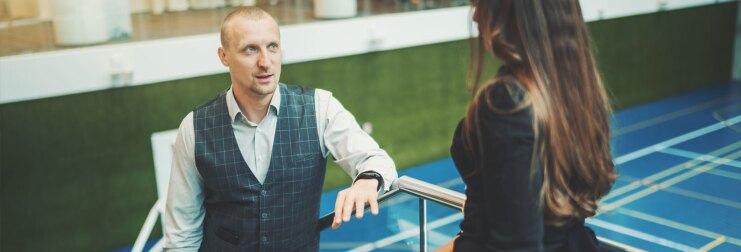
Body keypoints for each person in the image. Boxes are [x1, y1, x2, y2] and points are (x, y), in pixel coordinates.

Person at [163, 7, 398, 251]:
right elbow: (181, 236)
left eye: (272, 46)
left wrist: (366, 181)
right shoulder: (193, 128)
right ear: (224, 56)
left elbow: (377, 159)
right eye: (250, 49)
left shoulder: (320, 108)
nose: (265, 62)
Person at [439, 0, 616, 251]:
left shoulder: (507, 102)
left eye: (482, 5)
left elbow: (515, 245)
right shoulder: (576, 90)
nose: (476, 17)